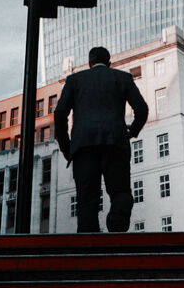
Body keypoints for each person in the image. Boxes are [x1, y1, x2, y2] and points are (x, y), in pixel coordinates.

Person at [54, 46, 148, 233]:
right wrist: (132, 131)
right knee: (120, 192)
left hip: (83, 148)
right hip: (115, 145)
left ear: (89, 63)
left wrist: (67, 147)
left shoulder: (74, 81)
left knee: (86, 201)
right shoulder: (123, 78)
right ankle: (116, 224)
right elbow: (142, 110)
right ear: (109, 62)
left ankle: (90, 247)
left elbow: (60, 113)